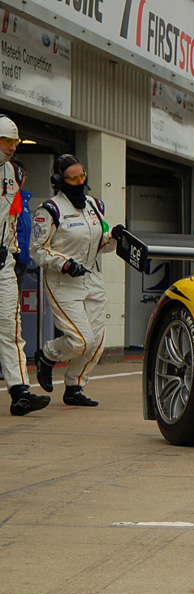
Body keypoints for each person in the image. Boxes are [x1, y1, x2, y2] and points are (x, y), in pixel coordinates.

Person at [31, 153, 119, 407]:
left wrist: (114, 237)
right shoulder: (49, 210)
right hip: (62, 281)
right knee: (81, 340)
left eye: (82, 176)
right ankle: (47, 355)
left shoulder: (94, 205)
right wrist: (64, 263)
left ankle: (74, 387)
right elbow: (36, 249)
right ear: (60, 180)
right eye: (73, 178)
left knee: (98, 342)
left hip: (91, 277)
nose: (80, 182)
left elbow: (100, 242)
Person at [0, 115, 49, 415]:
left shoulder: (14, 174)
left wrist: (16, 254)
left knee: (10, 327)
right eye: (6, 141)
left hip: (3, 260)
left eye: (14, 142)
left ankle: (20, 392)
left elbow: (12, 218)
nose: (11, 147)